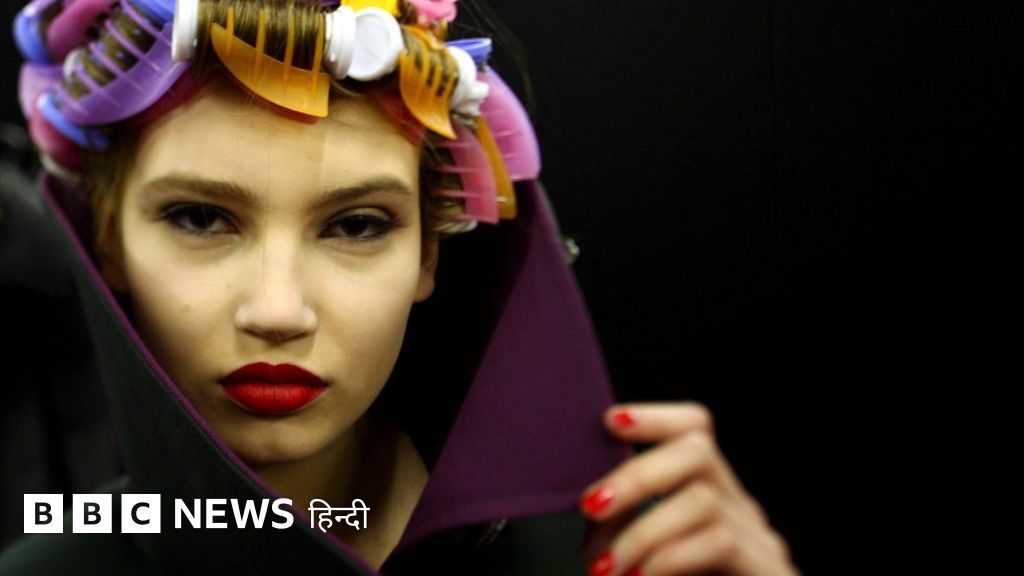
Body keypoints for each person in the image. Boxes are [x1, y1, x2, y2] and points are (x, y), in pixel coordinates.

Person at [1, 1, 799, 574]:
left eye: (356, 225)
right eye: (201, 218)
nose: (278, 313)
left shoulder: (623, 555)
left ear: (429, 254)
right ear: (106, 242)